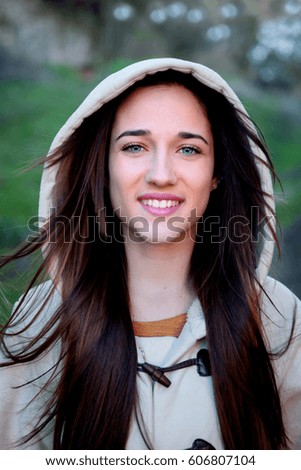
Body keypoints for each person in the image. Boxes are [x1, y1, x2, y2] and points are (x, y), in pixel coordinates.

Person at [0, 58, 300, 450]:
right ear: (103, 168)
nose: (161, 173)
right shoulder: (38, 319)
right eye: (135, 146)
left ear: (216, 176)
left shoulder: (280, 317)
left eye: (189, 149)